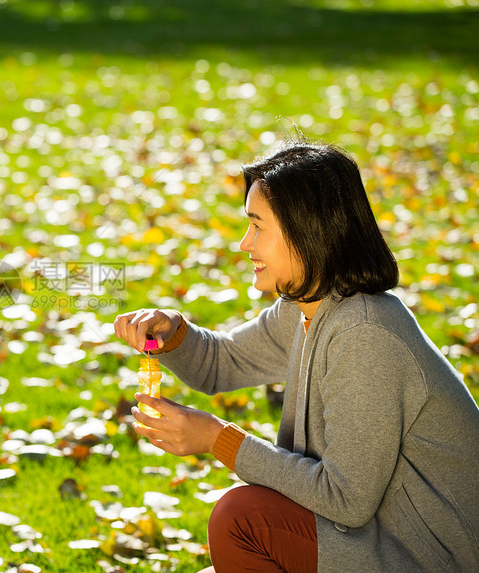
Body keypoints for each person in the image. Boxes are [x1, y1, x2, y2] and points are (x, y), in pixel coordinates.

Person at [114, 141, 479, 572]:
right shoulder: (308, 307)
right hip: (375, 537)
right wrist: (175, 333)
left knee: (242, 519)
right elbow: (224, 362)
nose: (245, 243)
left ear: (309, 232)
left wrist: (217, 438)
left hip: (430, 556)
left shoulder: (366, 334)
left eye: (257, 226)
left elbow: (346, 499)